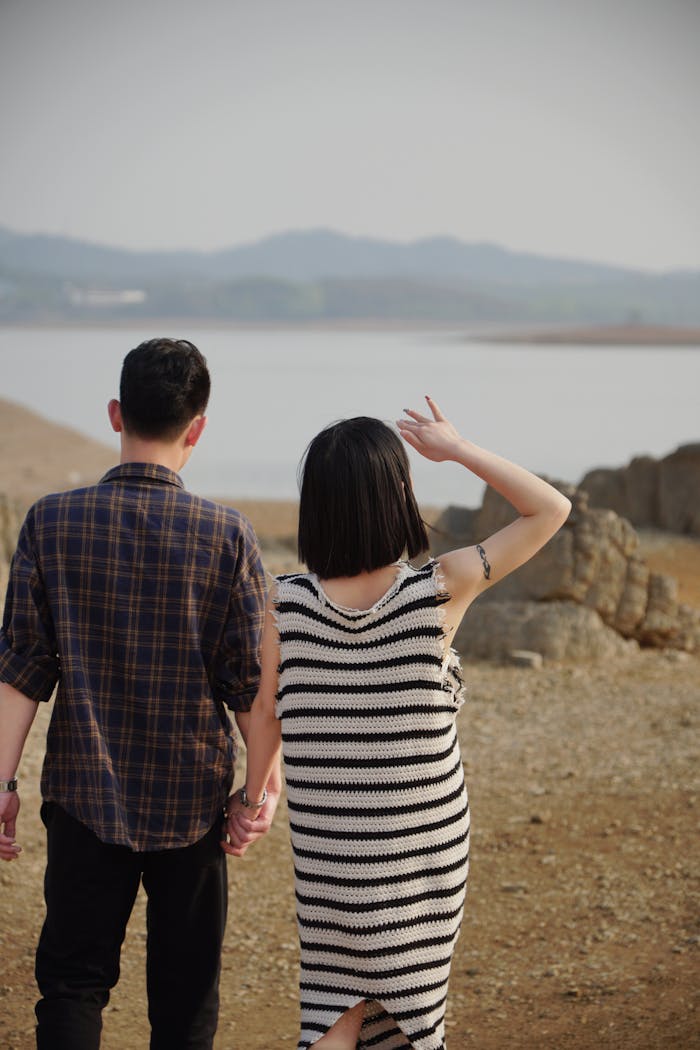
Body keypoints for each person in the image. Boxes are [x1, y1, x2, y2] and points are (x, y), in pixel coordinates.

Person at [223, 396, 571, 1050]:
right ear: (398, 498)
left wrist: (254, 799)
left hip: (331, 851)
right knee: (413, 1018)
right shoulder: (440, 588)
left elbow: (266, 716)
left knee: (333, 1009)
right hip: (423, 851)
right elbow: (550, 509)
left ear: (316, 507)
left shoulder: (284, 605)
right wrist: (459, 451)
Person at [0, 338, 281, 1050]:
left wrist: (1, 784)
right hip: (193, 803)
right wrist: (257, 794)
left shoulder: (50, 522)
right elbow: (253, 690)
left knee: (72, 984)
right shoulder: (229, 536)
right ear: (198, 427)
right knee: (186, 1001)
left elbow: (20, 671)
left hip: (83, 795)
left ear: (115, 413)